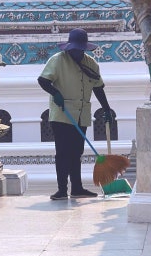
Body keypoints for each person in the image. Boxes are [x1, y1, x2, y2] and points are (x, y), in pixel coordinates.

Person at [37, 29, 113, 200]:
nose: (77, 52)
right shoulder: (58, 60)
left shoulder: (91, 63)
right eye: (74, 49)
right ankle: (62, 189)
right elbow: (43, 81)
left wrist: (107, 109)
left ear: (85, 48)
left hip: (81, 114)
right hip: (62, 114)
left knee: (76, 152)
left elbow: (98, 88)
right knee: (63, 152)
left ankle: (77, 188)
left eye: (80, 49)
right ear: (69, 47)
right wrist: (55, 92)